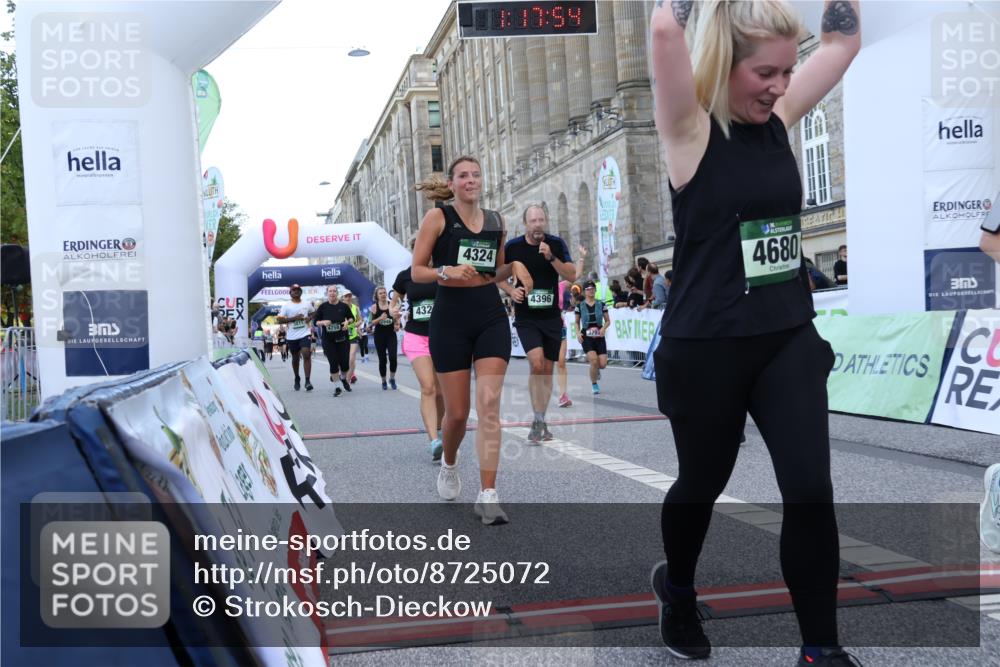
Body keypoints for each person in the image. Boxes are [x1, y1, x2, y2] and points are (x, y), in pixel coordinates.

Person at [649, 1, 861, 664]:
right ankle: (677, 588)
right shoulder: (689, 128)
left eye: (786, 70)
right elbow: (664, 28)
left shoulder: (781, 119)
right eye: (764, 72)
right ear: (724, 63)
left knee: (809, 486)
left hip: (786, 336)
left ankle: (819, 650)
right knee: (701, 483)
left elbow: (843, 41)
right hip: (706, 346)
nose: (778, 84)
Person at [411, 155, 532, 525]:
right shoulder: (438, 219)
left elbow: (491, 271)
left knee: (490, 405)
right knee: (459, 413)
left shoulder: (496, 220)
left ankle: (489, 494)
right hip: (449, 321)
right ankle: (449, 464)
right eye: (463, 176)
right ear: (452, 184)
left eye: (476, 174)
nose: (471, 180)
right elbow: (416, 271)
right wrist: (445, 270)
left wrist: (513, 270)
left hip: (490, 317)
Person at [500, 203, 578, 443]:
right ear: (525, 224)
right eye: (533, 221)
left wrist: (551, 257)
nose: (537, 225)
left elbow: (571, 275)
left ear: (546, 221)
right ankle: (537, 418)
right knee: (536, 364)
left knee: (547, 369)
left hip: (551, 318)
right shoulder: (513, 247)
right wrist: (511, 291)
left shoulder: (555, 244)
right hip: (527, 318)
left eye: (541, 220)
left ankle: (540, 420)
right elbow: (495, 275)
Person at [393, 263, 446, 459]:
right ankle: (433, 440)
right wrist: (393, 310)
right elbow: (394, 300)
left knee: (440, 391)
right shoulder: (406, 275)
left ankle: (440, 433)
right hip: (416, 336)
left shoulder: (444, 270)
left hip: (443, 335)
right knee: (428, 387)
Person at [556, 246, 587, 408]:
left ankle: (562, 395)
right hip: (541, 326)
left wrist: (581, 258)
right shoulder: (535, 285)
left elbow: (576, 275)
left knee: (561, 362)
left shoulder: (560, 286)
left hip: (559, 326)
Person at [312, 285, 354, 397]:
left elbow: (351, 318)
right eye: (330, 291)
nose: (332, 293)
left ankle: (343, 378)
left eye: (334, 291)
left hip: (343, 339)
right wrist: (323, 322)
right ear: (327, 293)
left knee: (345, 364)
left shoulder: (344, 306)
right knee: (333, 363)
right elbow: (315, 322)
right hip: (328, 340)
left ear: (337, 293)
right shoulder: (323, 307)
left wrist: (347, 323)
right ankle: (337, 387)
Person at [276, 284, 315, 391]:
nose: (296, 291)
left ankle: (307, 381)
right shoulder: (286, 306)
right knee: (295, 358)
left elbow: (314, 312)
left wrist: (309, 318)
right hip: (292, 336)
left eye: (298, 290)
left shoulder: (306, 303)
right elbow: (279, 320)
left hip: (305, 333)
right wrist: (294, 318)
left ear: (301, 292)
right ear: (290, 293)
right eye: (294, 290)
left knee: (306, 354)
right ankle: (297, 377)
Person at [575, 281, 610, 395]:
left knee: (602, 364)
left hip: (599, 334)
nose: (591, 290)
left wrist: (603, 328)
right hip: (586, 335)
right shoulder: (579, 306)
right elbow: (576, 322)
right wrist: (578, 333)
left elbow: (608, 321)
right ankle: (594, 384)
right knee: (594, 361)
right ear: (585, 291)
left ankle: (596, 370)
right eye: (589, 288)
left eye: (593, 288)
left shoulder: (601, 304)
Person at [368, 286, 399, 390]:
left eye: (384, 293)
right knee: (382, 360)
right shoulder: (374, 307)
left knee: (393, 358)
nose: (383, 294)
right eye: (380, 293)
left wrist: (397, 325)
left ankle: (392, 378)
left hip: (391, 335)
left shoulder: (392, 305)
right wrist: (380, 318)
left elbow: (396, 320)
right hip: (379, 336)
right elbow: (369, 323)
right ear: (377, 296)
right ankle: (384, 381)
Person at [342, 291, 361, 384]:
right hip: (342, 336)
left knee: (351, 358)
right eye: (346, 296)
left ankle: (347, 380)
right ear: (343, 298)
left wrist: (352, 325)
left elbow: (360, 320)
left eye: (349, 296)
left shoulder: (355, 308)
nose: (348, 298)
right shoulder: (339, 308)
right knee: (342, 359)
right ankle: (344, 373)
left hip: (353, 335)